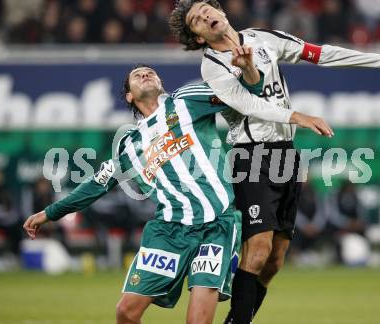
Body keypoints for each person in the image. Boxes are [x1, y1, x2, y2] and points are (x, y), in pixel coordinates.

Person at [169, 1, 380, 323]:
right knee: (259, 247)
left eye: (207, 9)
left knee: (275, 260)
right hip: (251, 155)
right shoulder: (212, 67)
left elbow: (320, 53)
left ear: (221, 12)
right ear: (198, 38)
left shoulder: (263, 38)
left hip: (285, 153)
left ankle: (240, 316)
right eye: (196, 19)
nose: (205, 16)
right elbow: (250, 104)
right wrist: (298, 116)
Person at [23, 61, 330, 324]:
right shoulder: (129, 145)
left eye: (150, 72)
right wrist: (48, 214)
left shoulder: (186, 100)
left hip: (217, 225)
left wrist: (249, 68)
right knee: (126, 314)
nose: (145, 74)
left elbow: (245, 93)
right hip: (168, 230)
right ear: (129, 96)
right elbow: (97, 184)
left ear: (161, 82)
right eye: (137, 75)